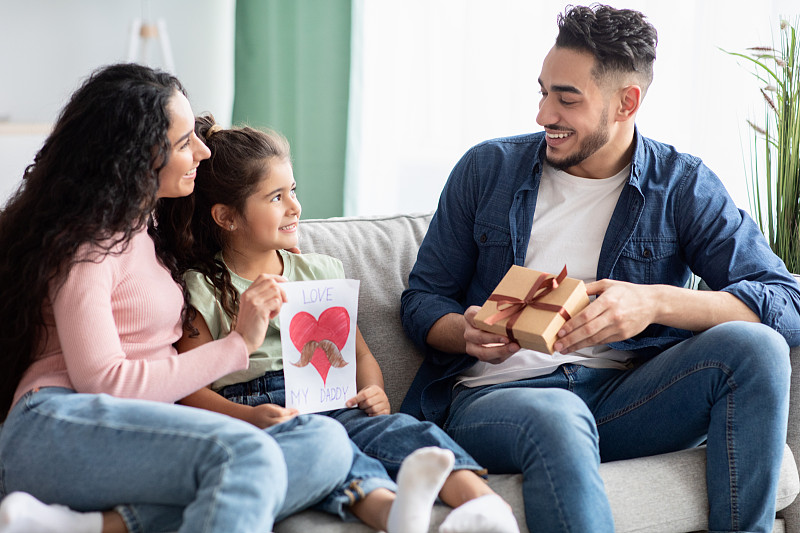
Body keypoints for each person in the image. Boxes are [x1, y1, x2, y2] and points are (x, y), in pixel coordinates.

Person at [399, 5, 800, 533]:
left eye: (567, 99)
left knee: (759, 348)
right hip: (497, 400)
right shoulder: (487, 169)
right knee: (558, 416)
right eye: (543, 92)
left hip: (622, 399)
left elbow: (786, 303)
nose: (544, 114)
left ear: (626, 102)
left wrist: (653, 302)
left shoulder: (681, 186)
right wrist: (465, 331)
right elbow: (422, 301)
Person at [0, 63, 355, 533]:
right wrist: (238, 344)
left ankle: (92, 525)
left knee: (326, 444)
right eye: (186, 142)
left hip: (142, 426)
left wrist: (273, 244)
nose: (202, 151)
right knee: (247, 454)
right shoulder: (87, 244)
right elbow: (103, 381)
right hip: (60, 423)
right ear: (138, 155)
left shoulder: (148, 229)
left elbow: (230, 228)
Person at [154, 114, 521, 533]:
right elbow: (189, 388)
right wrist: (246, 417)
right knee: (335, 456)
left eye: (292, 190)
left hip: (336, 399)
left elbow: (358, 354)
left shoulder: (319, 272)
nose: (295, 206)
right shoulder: (203, 287)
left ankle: (487, 507)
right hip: (263, 409)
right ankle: (394, 513)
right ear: (227, 217)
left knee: (403, 430)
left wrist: (374, 390)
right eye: (275, 197)